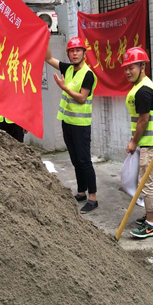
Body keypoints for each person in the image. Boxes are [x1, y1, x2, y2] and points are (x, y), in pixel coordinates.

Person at [45, 37, 99, 214]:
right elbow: (48, 58)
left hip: (81, 125)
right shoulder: (67, 69)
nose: (75, 54)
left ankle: (93, 198)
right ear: (68, 53)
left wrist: (64, 88)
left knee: (84, 161)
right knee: (75, 160)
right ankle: (81, 192)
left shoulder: (88, 74)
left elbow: (82, 98)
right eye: (72, 51)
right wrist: (44, 37)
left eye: (78, 50)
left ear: (84, 53)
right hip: (67, 122)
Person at [121, 47, 153, 239]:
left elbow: (143, 120)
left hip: (151, 143)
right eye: (125, 68)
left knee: (145, 182)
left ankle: (150, 225)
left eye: (131, 67)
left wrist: (134, 142)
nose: (127, 72)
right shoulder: (144, 86)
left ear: (143, 67)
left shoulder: (143, 90)